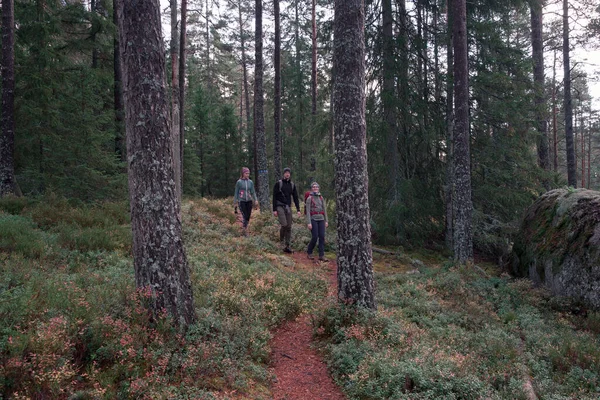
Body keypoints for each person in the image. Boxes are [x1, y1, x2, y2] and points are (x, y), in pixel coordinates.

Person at [272, 167, 301, 253]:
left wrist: (298, 209)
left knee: (289, 226)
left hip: (288, 207)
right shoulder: (278, 184)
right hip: (279, 206)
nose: (287, 174)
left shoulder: (292, 185)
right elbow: (274, 196)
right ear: (283, 174)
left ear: (290, 174)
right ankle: (281, 242)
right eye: (286, 172)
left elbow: (295, 197)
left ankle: (287, 245)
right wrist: (274, 209)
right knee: (284, 224)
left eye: (288, 173)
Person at [305, 182, 329, 262]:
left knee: (322, 236)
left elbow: (324, 210)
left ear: (318, 188)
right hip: (313, 219)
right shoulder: (309, 198)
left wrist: (326, 220)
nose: (315, 188)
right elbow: (307, 211)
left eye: (316, 187)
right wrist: (309, 222)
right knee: (315, 236)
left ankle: (321, 255)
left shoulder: (321, 198)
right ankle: (309, 251)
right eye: (314, 187)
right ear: (312, 188)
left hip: (321, 218)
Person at [234, 167, 258, 235]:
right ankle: (244, 230)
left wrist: (255, 199)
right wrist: (235, 202)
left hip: (249, 200)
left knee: (248, 215)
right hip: (241, 201)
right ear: (243, 173)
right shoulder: (239, 182)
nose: (248, 175)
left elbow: (253, 192)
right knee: (244, 215)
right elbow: (236, 192)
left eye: (248, 173)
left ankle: (245, 226)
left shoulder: (250, 182)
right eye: (246, 173)